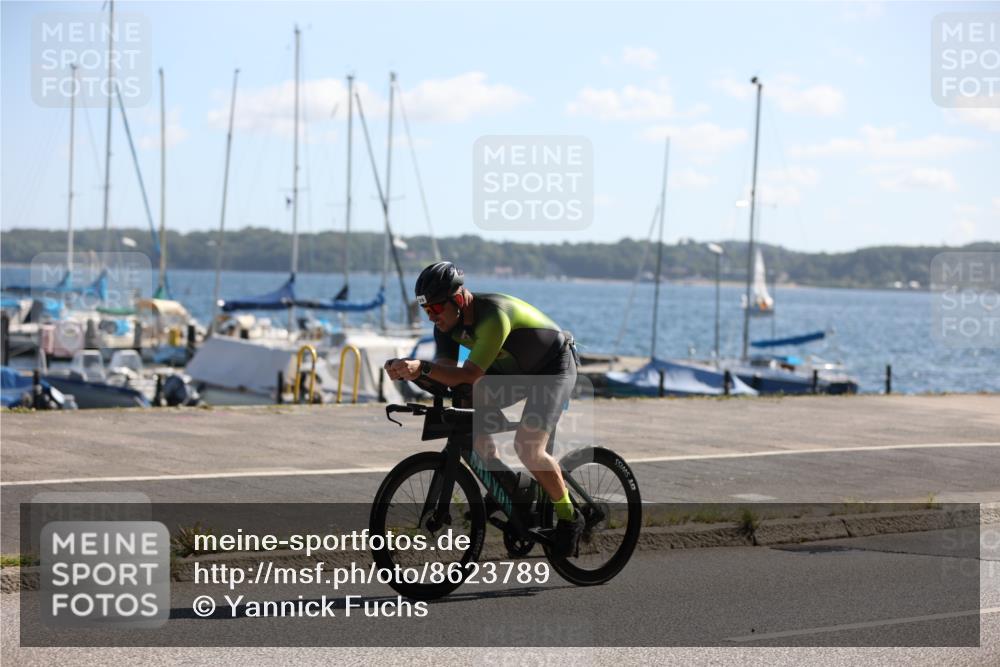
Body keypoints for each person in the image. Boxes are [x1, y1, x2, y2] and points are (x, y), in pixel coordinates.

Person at [384, 261, 584, 558]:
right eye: (426, 311)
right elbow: (448, 377)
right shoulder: (445, 329)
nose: (432, 318)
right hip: (515, 371)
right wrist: (414, 374)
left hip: (552, 369)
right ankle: (510, 486)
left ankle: (570, 518)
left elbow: (468, 373)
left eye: (436, 309)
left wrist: (423, 366)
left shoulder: (493, 316)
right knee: (471, 427)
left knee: (529, 448)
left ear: (459, 298)